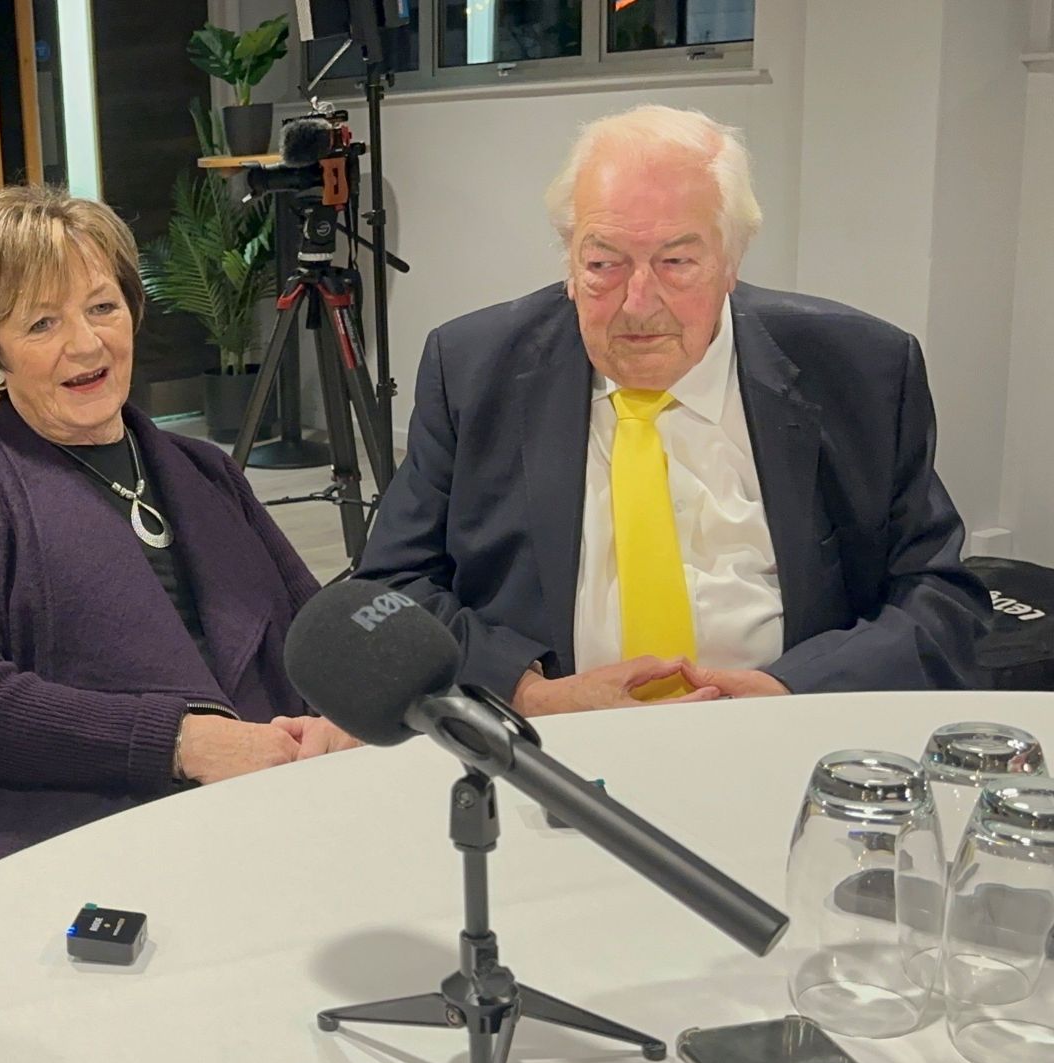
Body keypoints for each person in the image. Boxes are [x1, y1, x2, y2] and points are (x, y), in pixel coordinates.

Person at [357, 105, 987, 715]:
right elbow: (388, 591)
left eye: (677, 262)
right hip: (548, 754)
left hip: (784, 741)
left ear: (731, 262)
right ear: (569, 260)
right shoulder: (473, 366)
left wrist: (795, 693)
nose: (637, 303)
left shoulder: (860, 370)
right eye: (603, 263)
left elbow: (942, 603)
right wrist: (532, 696)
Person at [0, 185, 356, 911]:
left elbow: (317, 633)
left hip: (265, 826)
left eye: (102, 306)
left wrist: (338, 721)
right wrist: (183, 741)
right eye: (42, 322)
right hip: (64, 855)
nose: (86, 343)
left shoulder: (205, 469)